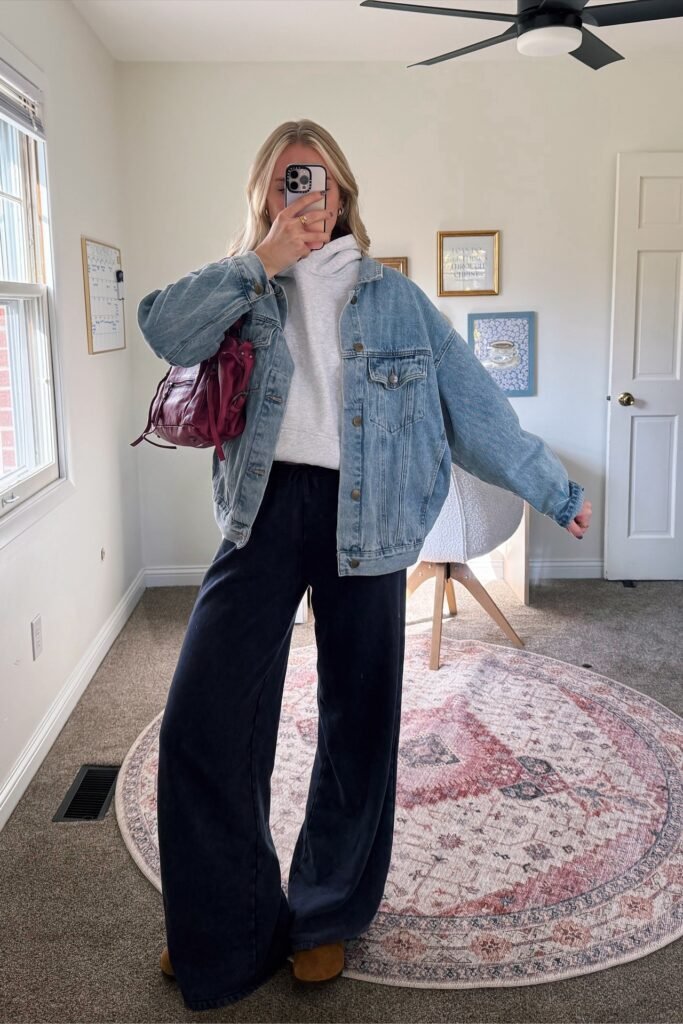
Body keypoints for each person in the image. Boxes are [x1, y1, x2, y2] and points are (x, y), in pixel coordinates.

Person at [137, 118, 592, 1012]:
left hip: (370, 526)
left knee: (358, 726)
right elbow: (163, 329)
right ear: (263, 196)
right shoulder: (240, 287)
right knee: (204, 723)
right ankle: (225, 924)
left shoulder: (398, 302)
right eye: (285, 183)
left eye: (319, 183)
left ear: (344, 195)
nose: (306, 198)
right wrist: (257, 258)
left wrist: (552, 488)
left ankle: (324, 915)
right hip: (259, 517)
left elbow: (477, 409)